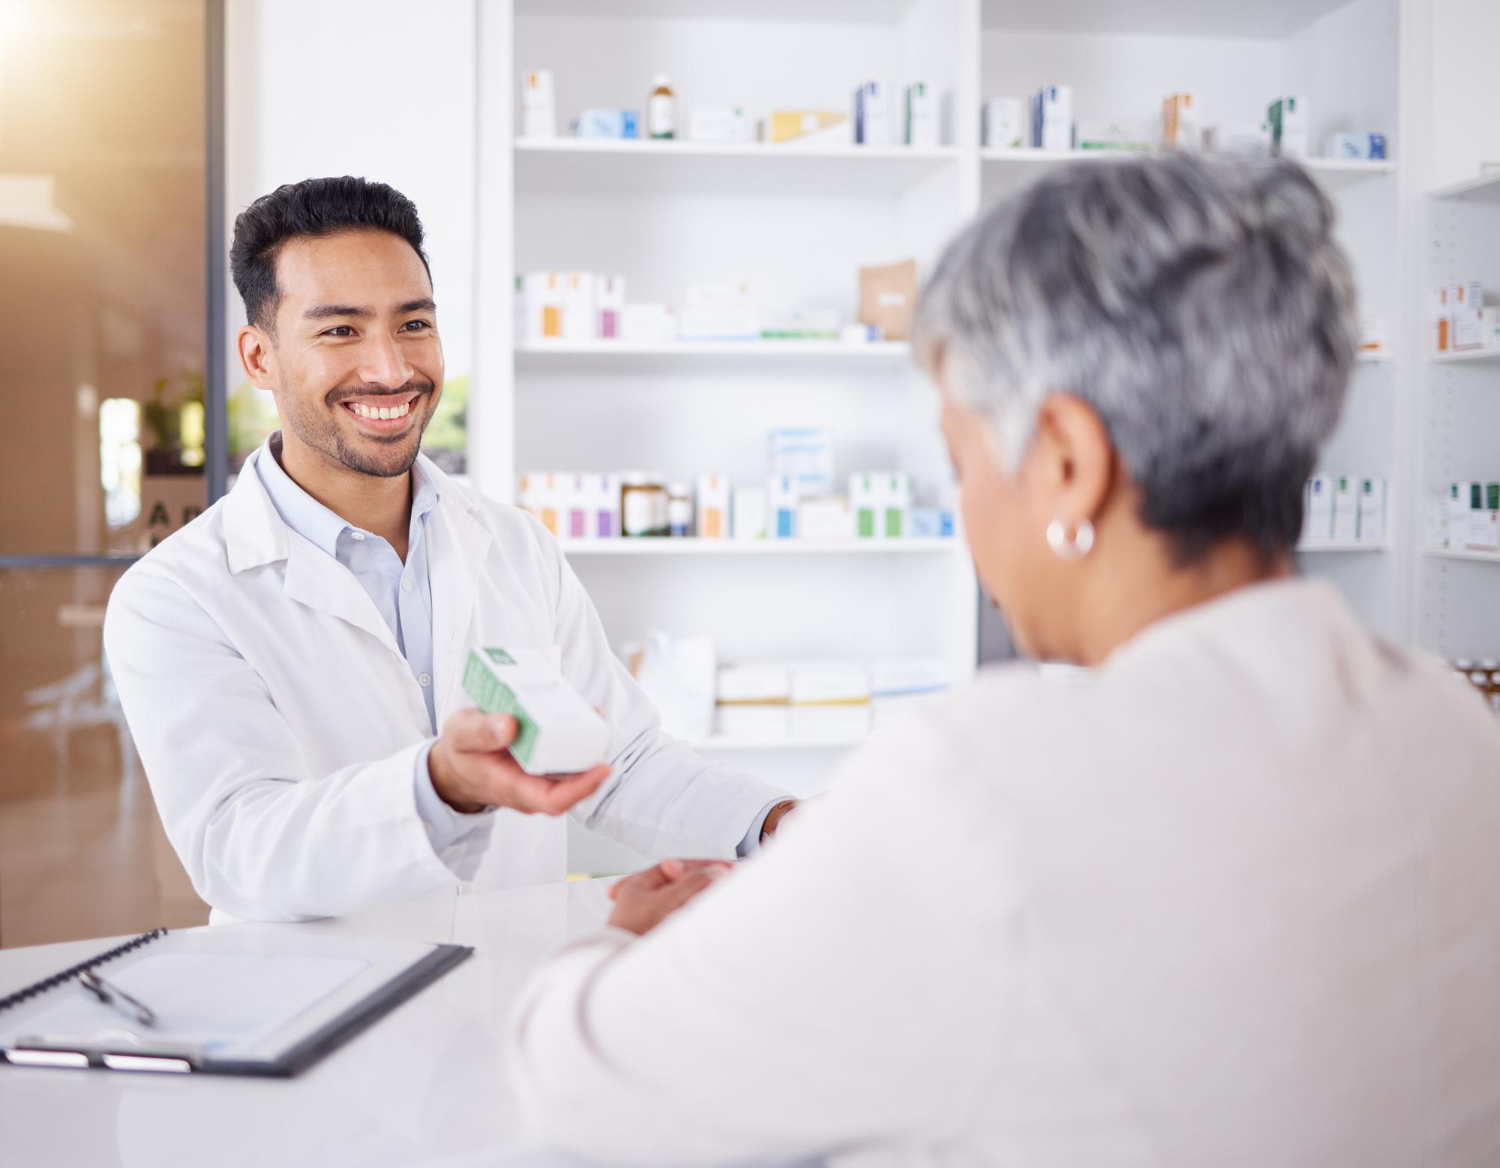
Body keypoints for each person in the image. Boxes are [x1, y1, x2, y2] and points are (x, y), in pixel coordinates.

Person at [509, 155, 1500, 1166]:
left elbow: (579, 1090)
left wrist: (625, 934)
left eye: (962, 462)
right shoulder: (1453, 725)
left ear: (1067, 463)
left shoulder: (988, 783)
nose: (967, 511)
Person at [103, 176, 795, 924]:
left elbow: (619, 761)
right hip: (319, 1006)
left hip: (511, 987)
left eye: (413, 325)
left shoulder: (513, 545)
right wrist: (439, 789)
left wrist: (777, 826)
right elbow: (239, 848)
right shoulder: (176, 595)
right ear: (260, 357)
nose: (392, 370)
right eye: (340, 331)